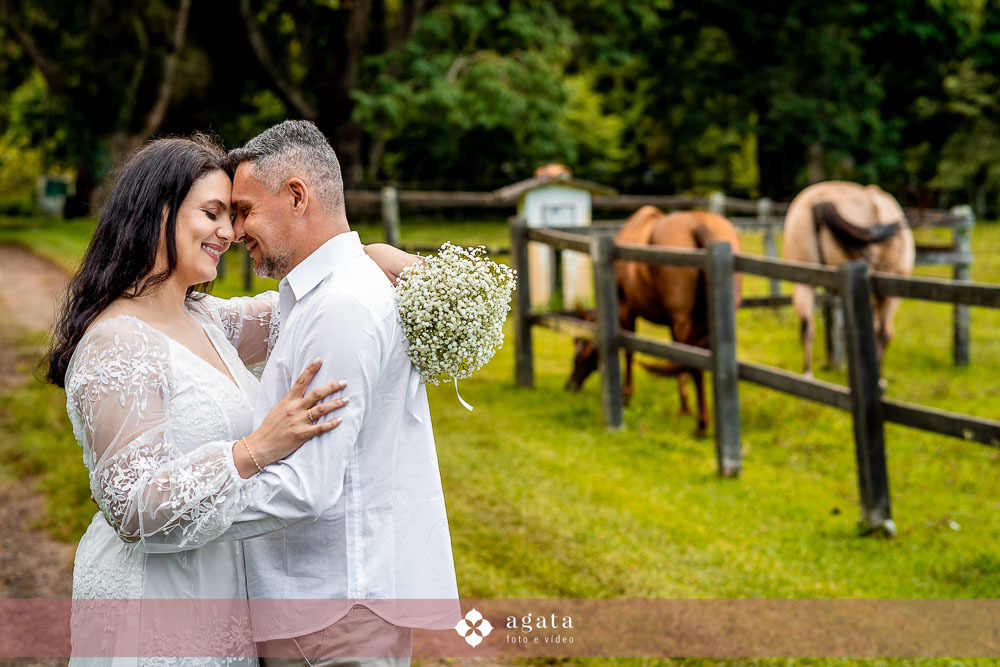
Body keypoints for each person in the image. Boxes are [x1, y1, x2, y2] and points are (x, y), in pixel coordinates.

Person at [47, 134, 419, 665]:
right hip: (155, 605)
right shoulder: (118, 341)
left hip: (221, 599)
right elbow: (130, 507)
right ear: (158, 213)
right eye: (214, 213)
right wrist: (252, 451)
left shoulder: (204, 317)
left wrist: (365, 258)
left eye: (236, 214)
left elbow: (301, 305)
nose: (231, 232)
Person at [219, 120, 459, 666]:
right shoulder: (323, 293)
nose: (235, 231)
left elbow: (305, 488)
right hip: (326, 608)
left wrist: (175, 509)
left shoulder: (341, 307)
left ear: (297, 196)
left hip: (329, 617)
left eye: (244, 210)